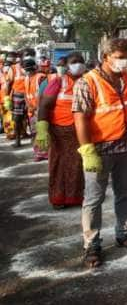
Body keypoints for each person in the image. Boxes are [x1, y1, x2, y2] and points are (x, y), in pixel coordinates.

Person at [72, 38, 127, 268]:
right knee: (94, 199)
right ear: (105, 57)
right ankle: (91, 245)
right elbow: (80, 118)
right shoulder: (87, 82)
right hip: (99, 149)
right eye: (119, 57)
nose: (124, 61)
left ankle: (124, 234)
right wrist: (87, 150)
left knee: (125, 193)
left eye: (126, 56)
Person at [35, 52, 86, 209]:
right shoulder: (59, 81)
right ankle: (58, 198)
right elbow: (44, 105)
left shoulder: (87, 81)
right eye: (74, 61)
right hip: (60, 132)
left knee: (77, 164)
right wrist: (42, 129)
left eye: (80, 61)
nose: (78, 64)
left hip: (80, 131)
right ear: (67, 65)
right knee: (59, 165)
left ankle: (75, 197)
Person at [27, 58, 50, 161]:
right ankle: (39, 153)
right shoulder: (26, 78)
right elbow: (25, 93)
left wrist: (38, 107)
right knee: (34, 132)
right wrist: (28, 105)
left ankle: (46, 153)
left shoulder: (41, 78)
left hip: (39, 109)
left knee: (43, 131)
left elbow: (43, 94)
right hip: (31, 109)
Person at [8, 56, 33, 147]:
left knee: (31, 117)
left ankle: (33, 138)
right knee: (17, 118)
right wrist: (8, 97)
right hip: (17, 96)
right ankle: (18, 140)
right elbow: (9, 82)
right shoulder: (14, 68)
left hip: (30, 95)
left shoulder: (32, 66)